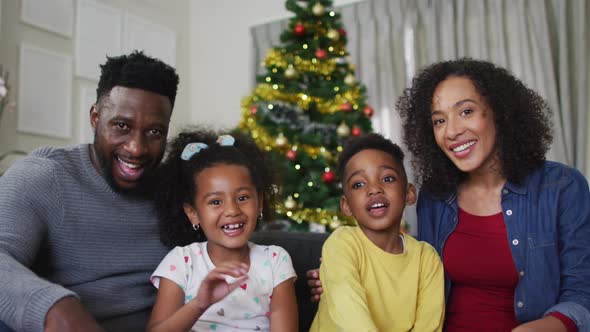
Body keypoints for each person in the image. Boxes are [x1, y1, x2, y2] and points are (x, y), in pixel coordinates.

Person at [309, 58, 590, 331]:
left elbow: (582, 292)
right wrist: (340, 278)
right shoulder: (436, 196)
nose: (452, 131)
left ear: (499, 111)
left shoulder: (561, 187)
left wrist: (545, 327)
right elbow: (416, 275)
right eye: (439, 121)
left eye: (466, 111)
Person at [0, 51, 179, 331]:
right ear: (96, 117)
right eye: (122, 126)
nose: (136, 148)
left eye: (155, 132)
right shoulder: (44, 177)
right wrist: (55, 307)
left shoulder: (176, 189)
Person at [147, 129, 298, 332]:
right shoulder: (182, 262)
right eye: (216, 201)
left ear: (260, 202)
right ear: (193, 213)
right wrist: (199, 304)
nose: (232, 210)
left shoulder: (275, 260)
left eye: (243, 197)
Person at [309, 133, 445, 331]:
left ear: (409, 193)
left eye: (387, 178)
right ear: (346, 205)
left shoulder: (427, 258)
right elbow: (351, 316)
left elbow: (429, 326)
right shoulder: (342, 243)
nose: (374, 189)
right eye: (359, 184)